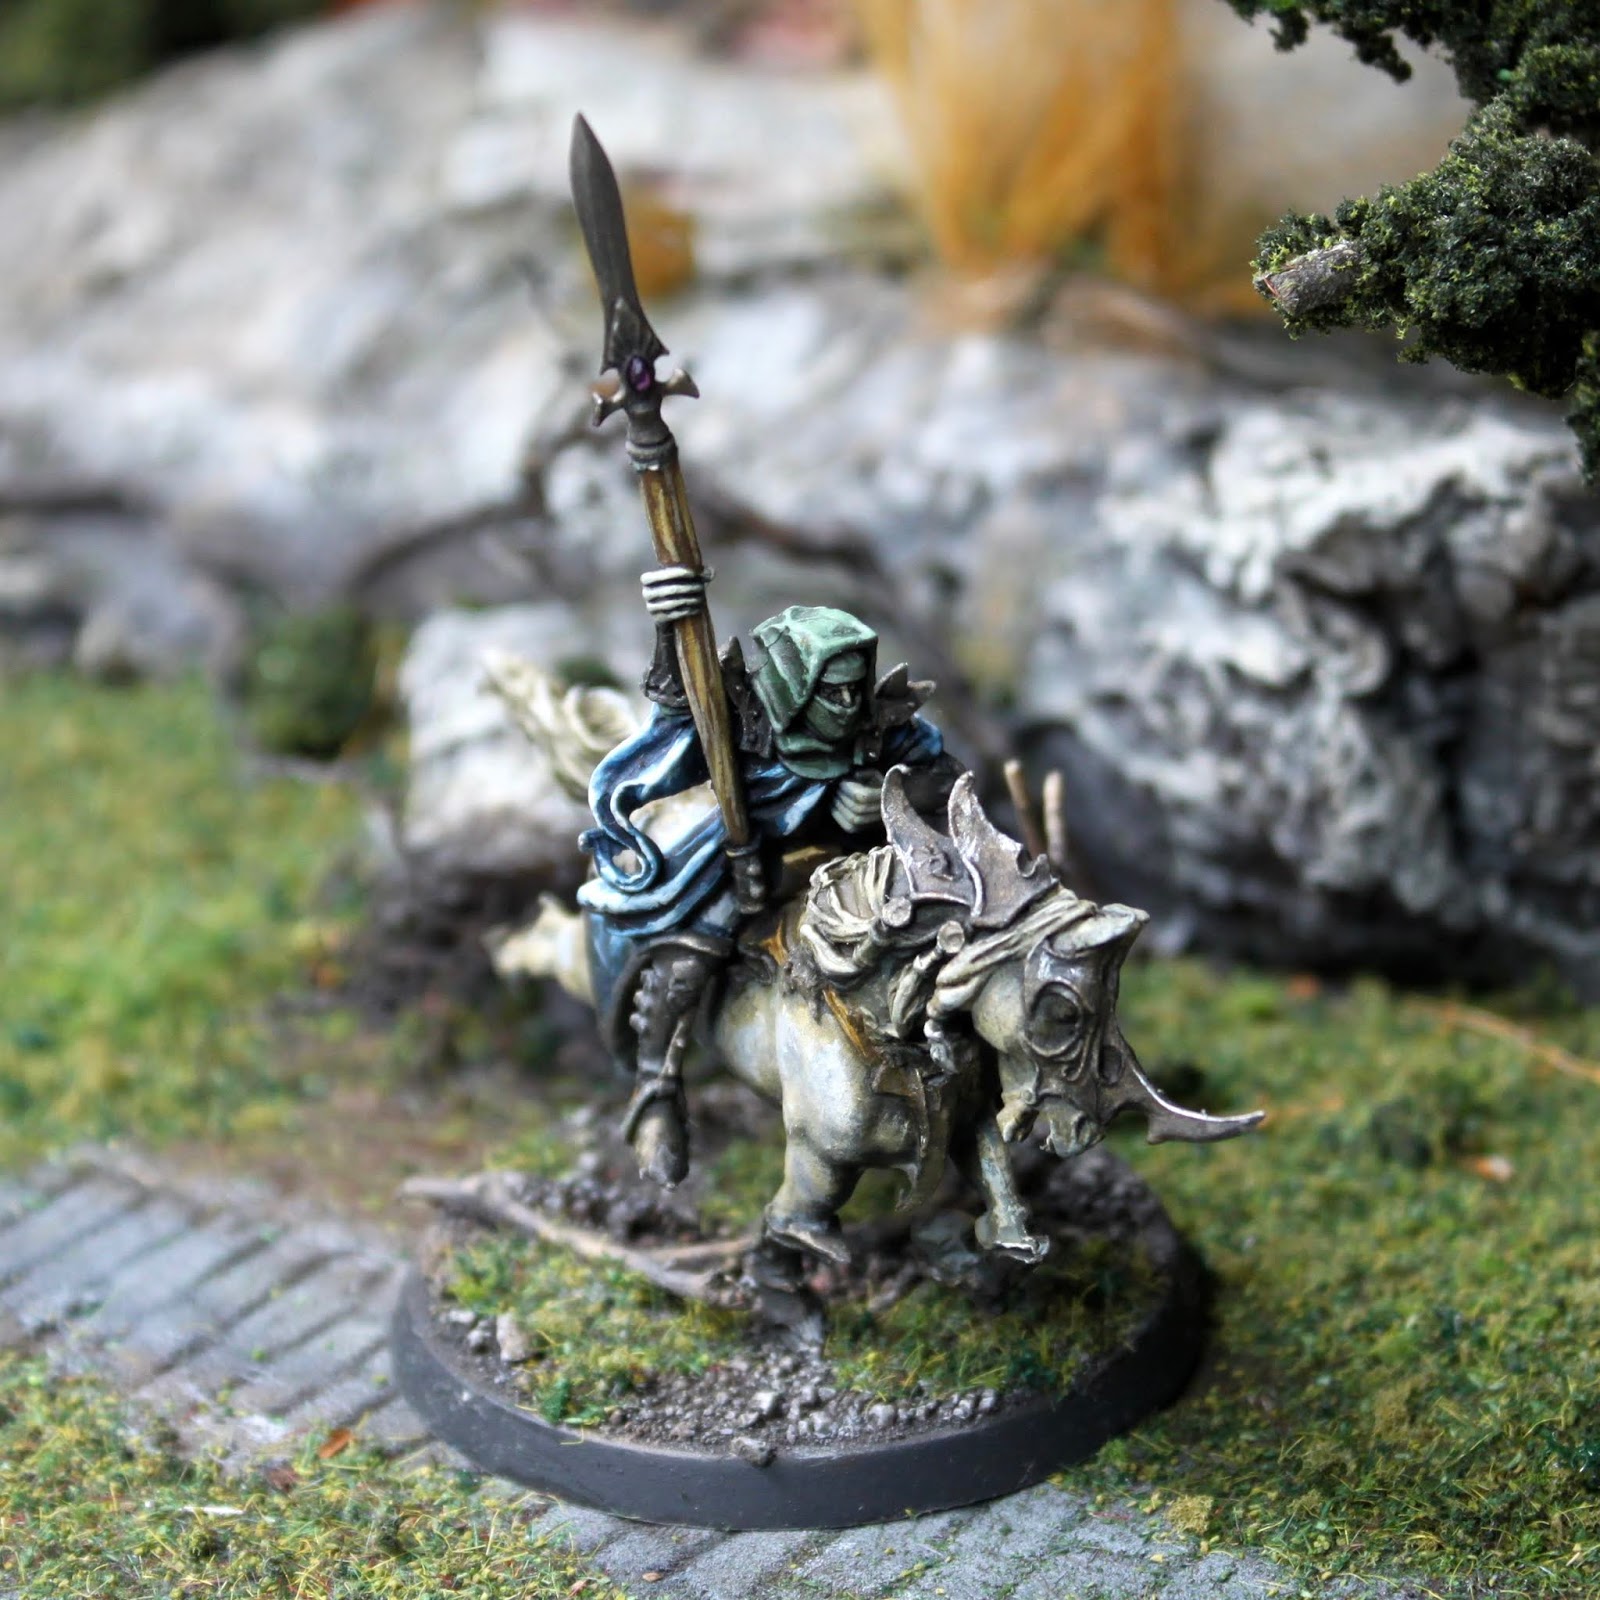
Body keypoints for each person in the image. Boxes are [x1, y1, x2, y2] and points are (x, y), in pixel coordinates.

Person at [580, 564, 962, 1186]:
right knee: (685, 959)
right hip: (751, 865)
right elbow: (680, 712)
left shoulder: (882, 726)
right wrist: (669, 624)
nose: (847, 705)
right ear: (794, 684)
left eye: (853, 689)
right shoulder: (744, 721)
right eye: (830, 692)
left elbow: (946, 781)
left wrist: (890, 798)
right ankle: (656, 1091)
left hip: (860, 866)